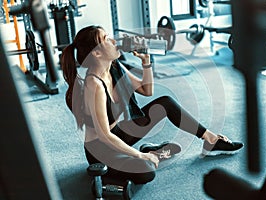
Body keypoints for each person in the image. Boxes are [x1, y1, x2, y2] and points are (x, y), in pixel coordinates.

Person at [60, 25, 243, 185]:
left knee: (165, 103)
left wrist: (146, 62)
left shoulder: (114, 68)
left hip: (119, 134)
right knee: (146, 171)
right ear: (97, 52)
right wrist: (140, 156)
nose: (114, 40)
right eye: (106, 38)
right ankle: (148, 155)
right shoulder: (94, 85)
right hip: (100, 149)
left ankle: (210, 139)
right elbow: (105, 136)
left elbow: (147, 91)